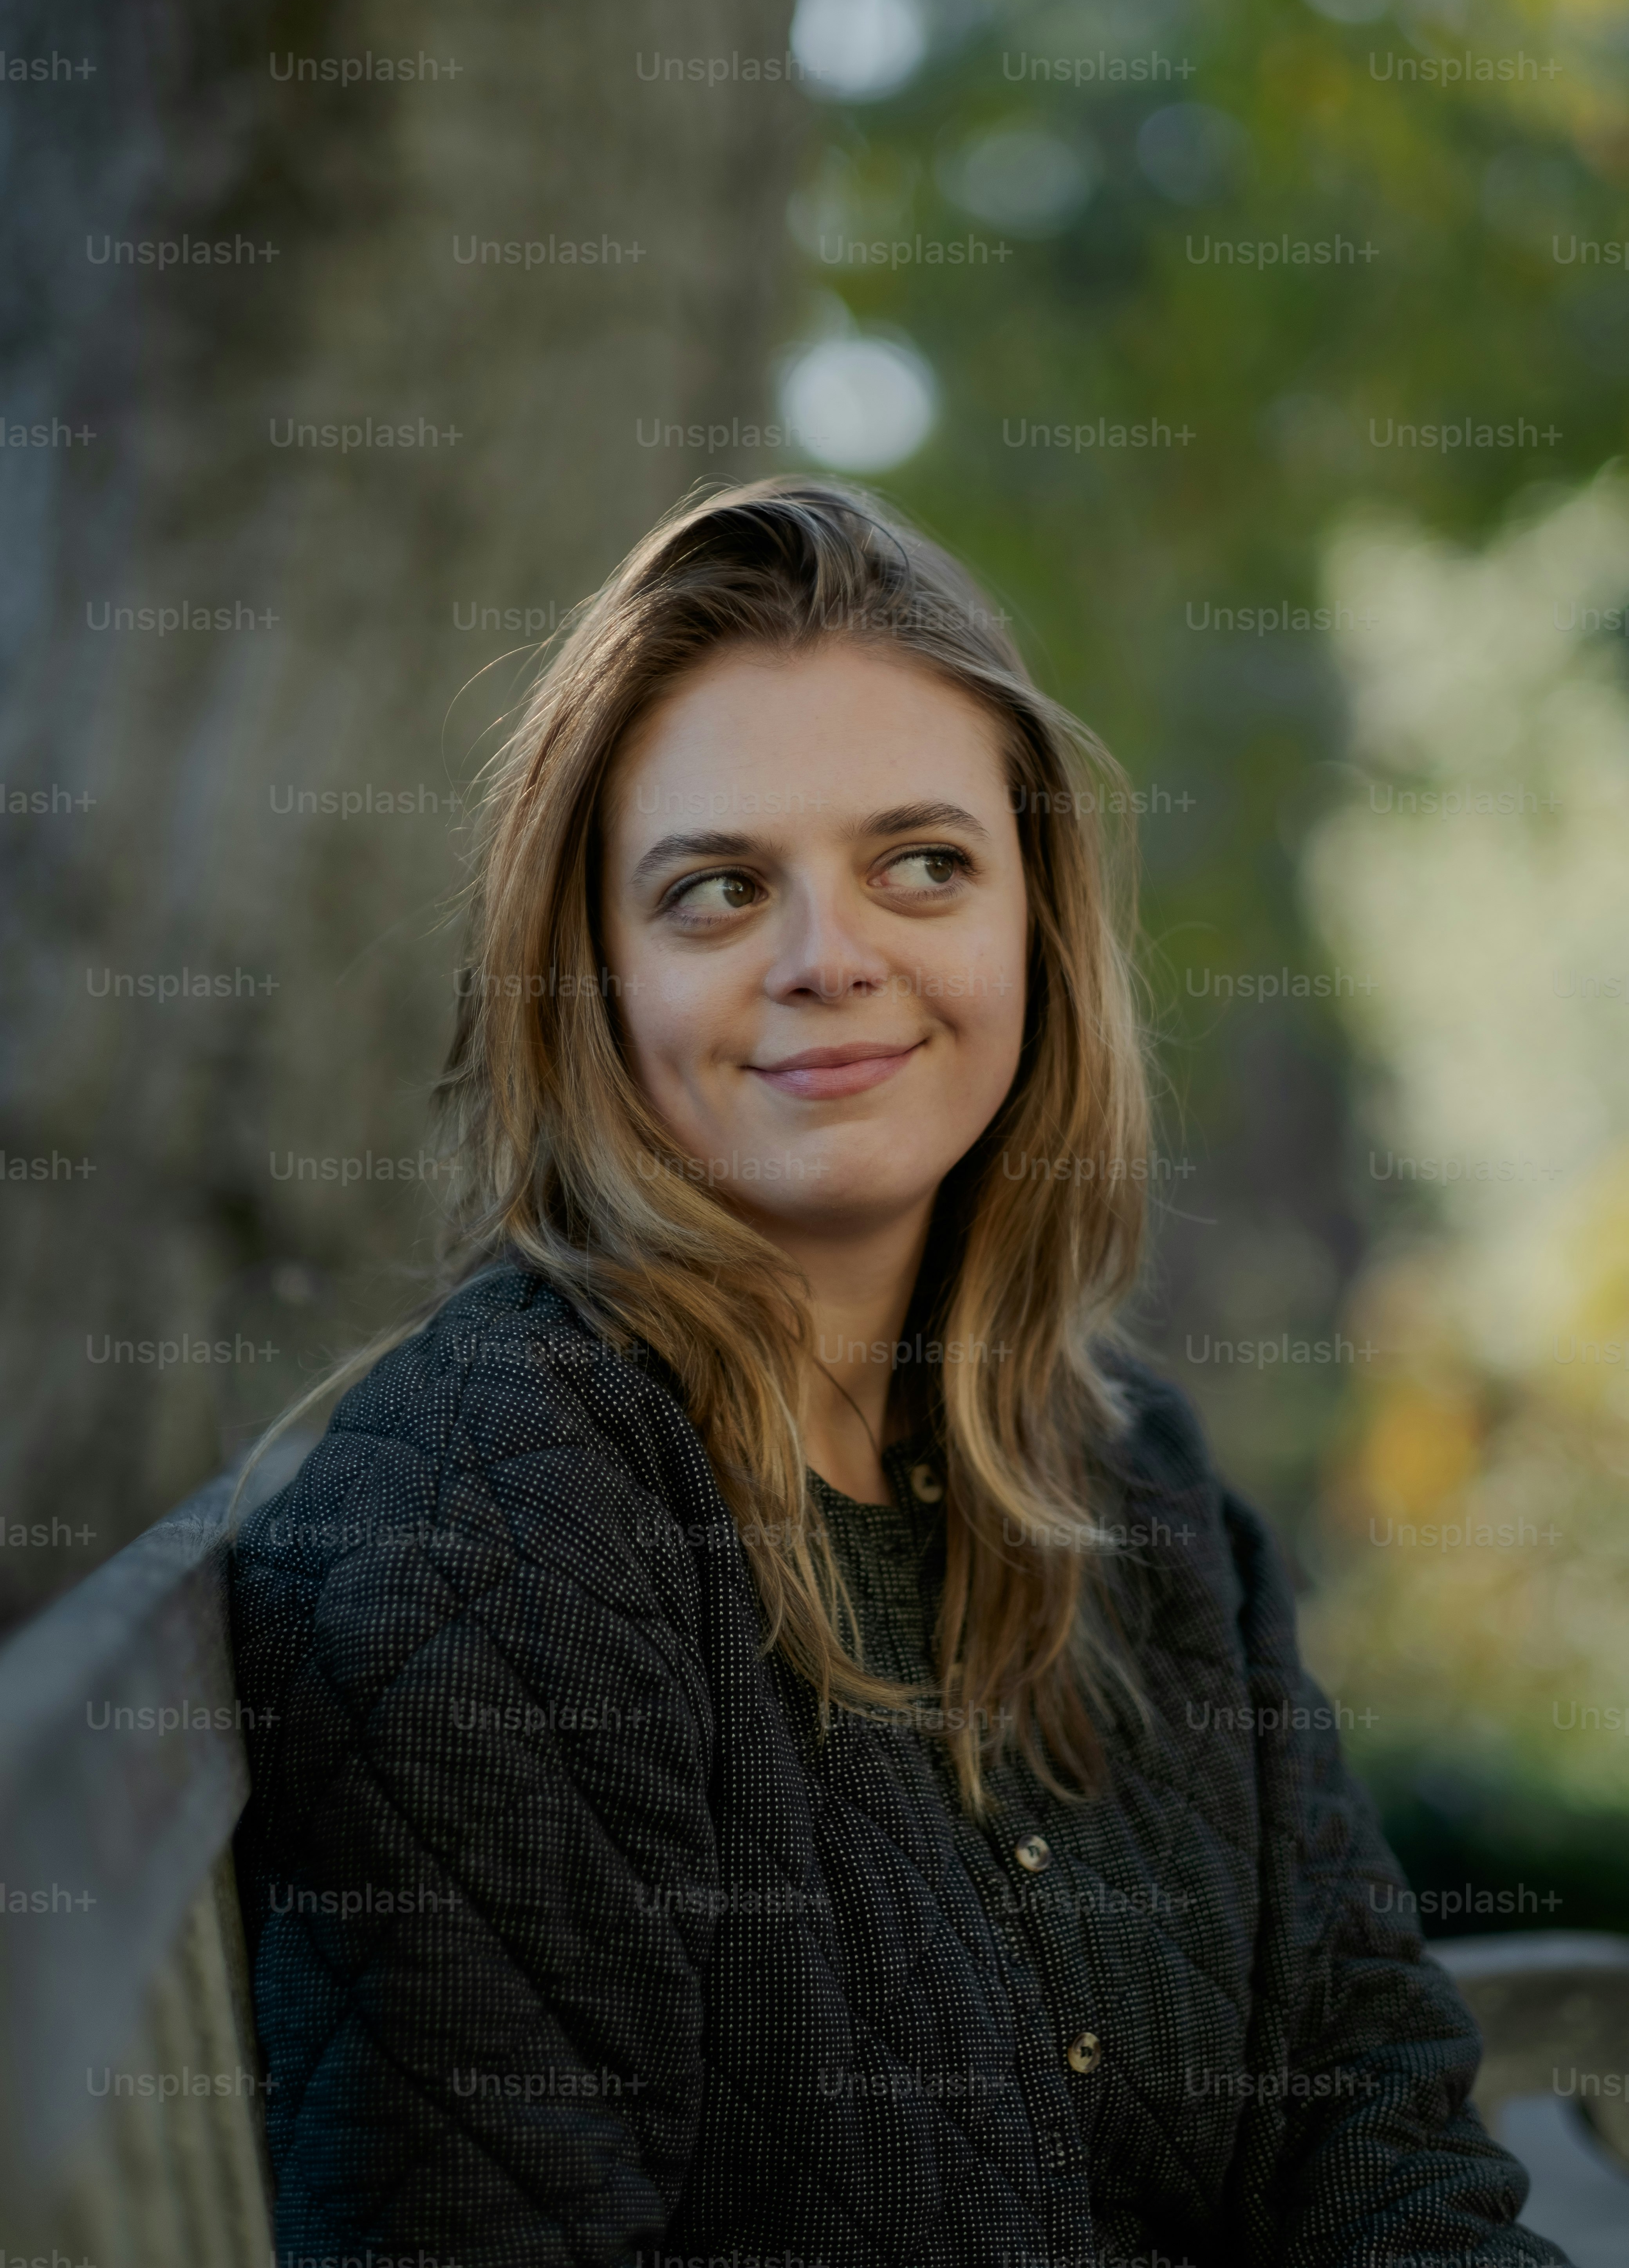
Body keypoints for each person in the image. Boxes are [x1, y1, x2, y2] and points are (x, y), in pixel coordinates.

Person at [230, 478, 1562, 2268]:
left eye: (919, 863)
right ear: (591, 980)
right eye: (714, 892)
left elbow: (1363, 2105)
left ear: (1033, 924)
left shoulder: (1125, 1485)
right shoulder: (491, 1524)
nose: (828, 958)